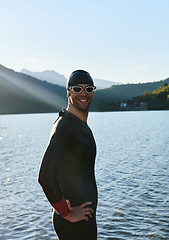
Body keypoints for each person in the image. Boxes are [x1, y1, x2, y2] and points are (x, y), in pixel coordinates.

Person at [38, 70, 98, 239]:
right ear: (68, 92)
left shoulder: (78, 125)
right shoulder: (66, 128)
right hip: (74, 221)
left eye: (89, 89)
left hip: (82, 217)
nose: (84, 94)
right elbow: (46, 175)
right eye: (78, 89)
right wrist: (67, 214)